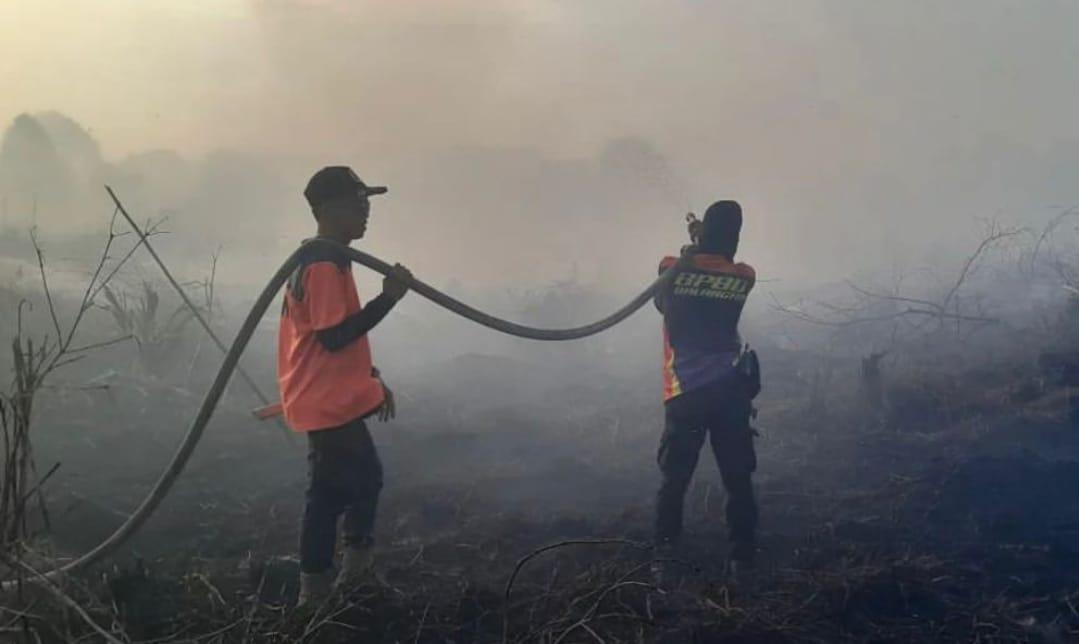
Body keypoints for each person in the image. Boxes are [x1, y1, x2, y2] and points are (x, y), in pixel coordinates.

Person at [277, 165, 413, 606]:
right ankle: (316, 594)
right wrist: (389, 297)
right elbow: (334, 336)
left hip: (327, 394)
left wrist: (370, 378)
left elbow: (332, 336)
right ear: (329, 210)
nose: (366, 212)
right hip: (322, 399)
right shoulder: (322, 264)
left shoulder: (329, 258)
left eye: (367, 203)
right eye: (359, 203)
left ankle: (349, 576)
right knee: (333, 491)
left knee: (358, 481)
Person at [653, 200, 759, 579]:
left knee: (675, 479)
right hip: (730, 392)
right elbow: (720, 266)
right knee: (738, 478)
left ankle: (664, 561)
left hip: (685, 393)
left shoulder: (671, 268)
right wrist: (704, 246)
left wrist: (692, 248)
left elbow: (662, 303)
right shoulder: (744, 276)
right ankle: (742, 559)